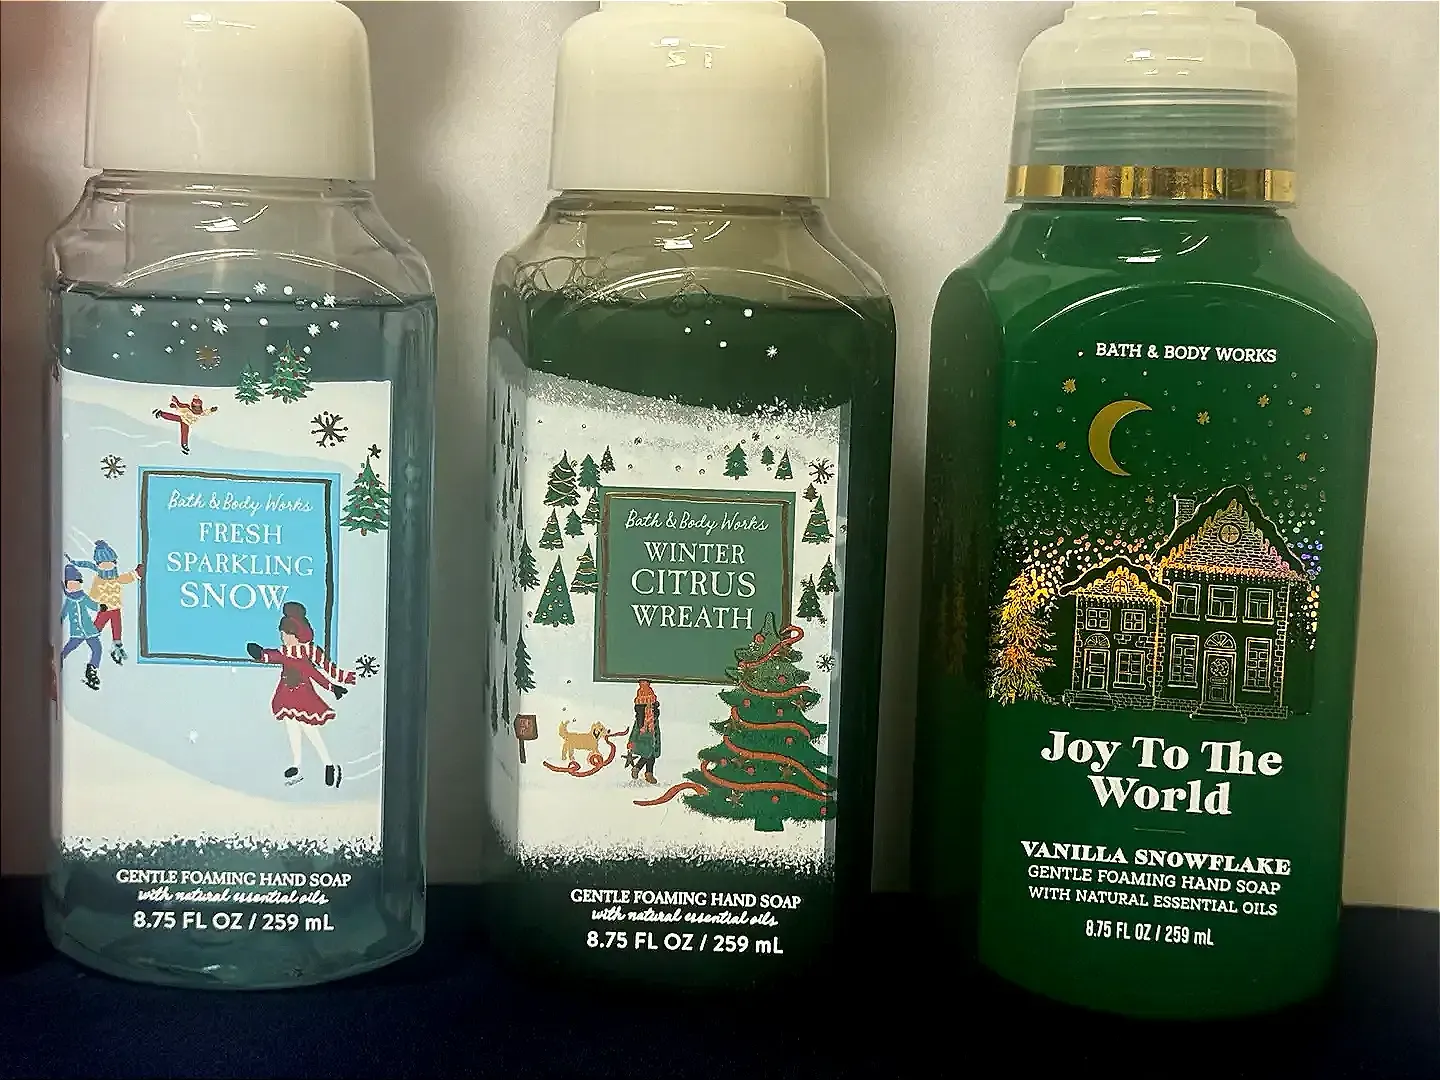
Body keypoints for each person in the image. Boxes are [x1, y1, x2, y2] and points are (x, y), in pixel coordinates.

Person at [246, 601, 356, 787]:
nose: (283, 638)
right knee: (292, 728)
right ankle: (296, 764)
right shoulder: (285, 652)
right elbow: (272, 656)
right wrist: (259, 654)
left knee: (309, 729)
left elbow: (318, 672)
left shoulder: (307, 652)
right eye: (282, 634)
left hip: (304, 697)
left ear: (296, 635)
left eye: (286, 634)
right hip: (286, 695)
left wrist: (333, 687)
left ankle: (328, 764)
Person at [66, 540, 142, 664]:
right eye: (103, 564)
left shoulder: (116, 578)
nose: (107, 567)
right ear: (98, 565)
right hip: (104, 608)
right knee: (96, 627)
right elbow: (93, 594)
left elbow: (126, 578)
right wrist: (95, 603)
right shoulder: (99, 579)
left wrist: (136, 573)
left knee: (117, 626)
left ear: (114, 563)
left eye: (109, 564)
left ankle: (117, 645)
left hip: (115, 608)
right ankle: (86, 639)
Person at [59, 563, 103, 691]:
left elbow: (92, 605)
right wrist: (59, 621)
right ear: (67, 585)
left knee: (97, 648)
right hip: (77, 632)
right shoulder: (69, 601)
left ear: (80, 583)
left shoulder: (83, 597)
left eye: (76, 583)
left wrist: (100, 607)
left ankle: (92, 669)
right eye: (70, 584)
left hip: (89, 630)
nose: (73, 586)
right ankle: (59, 660)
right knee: (69, 647)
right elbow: (64, 613)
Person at [152, 393, 218, 455]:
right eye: (196, 407)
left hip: (186, 421)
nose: (197, 409)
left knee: (175, 419)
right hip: (184, 420)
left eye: (198, 407)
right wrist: (175, 405)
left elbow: (205, 412)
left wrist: (211, 410)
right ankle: (184, 444)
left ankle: (161, 413)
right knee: (184, 431)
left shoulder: (200, 412)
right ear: (193, 405)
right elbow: (180, 406)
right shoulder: (188, 407)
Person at [626, 680, 661, 785]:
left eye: (652, 705)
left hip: (653, 740)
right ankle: (638, 768)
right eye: (649, 705)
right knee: (647, 755)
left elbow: (656, 729)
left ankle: (648, 773)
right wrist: (631, 742)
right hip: (644, 740)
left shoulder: (654, 719)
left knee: (651, 756)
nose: (651, 707)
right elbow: (634, 731)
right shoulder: (640, 721)